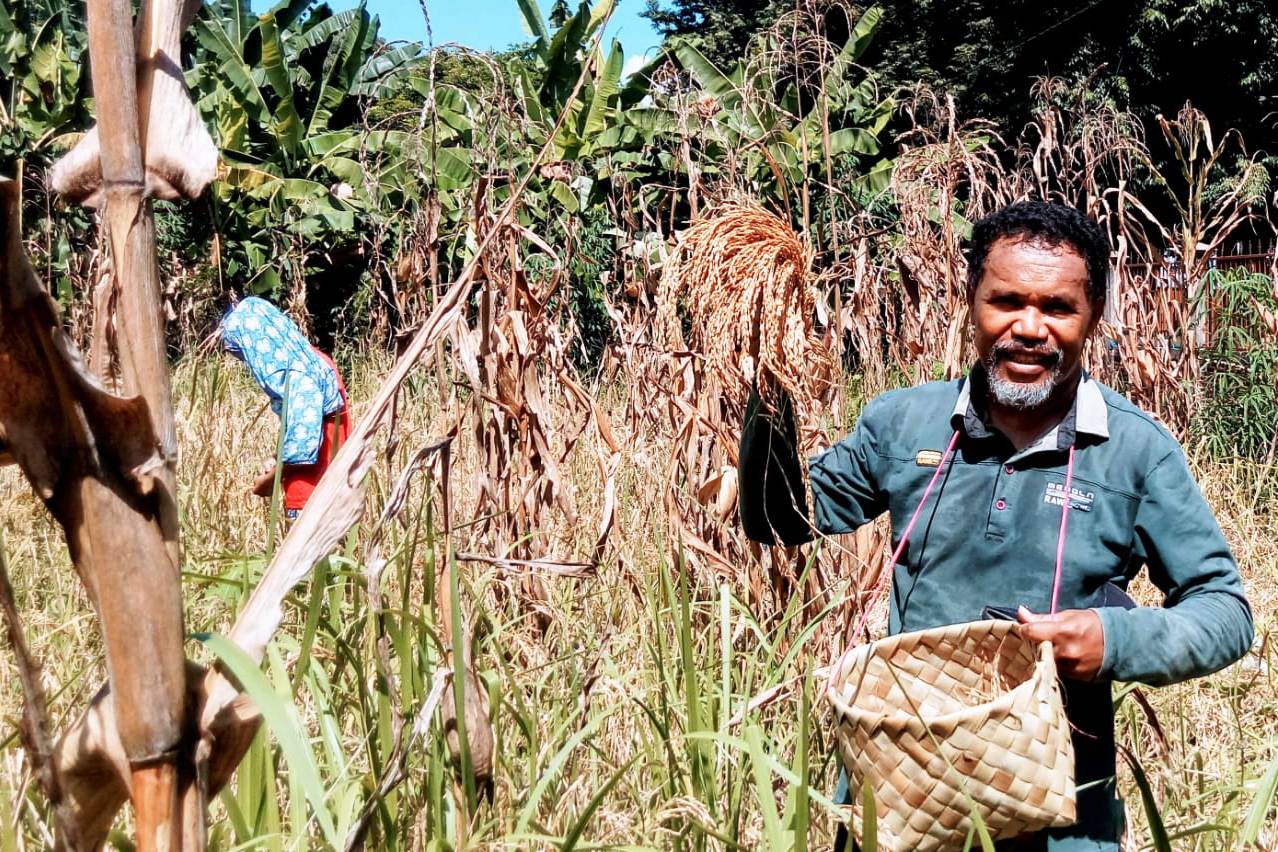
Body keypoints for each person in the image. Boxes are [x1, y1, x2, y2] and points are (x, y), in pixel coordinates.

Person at [738, 201, 1253, 850]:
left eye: (1058, 308)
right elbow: (779, 518)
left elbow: (1226, 612)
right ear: (970, 301)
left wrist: (1112, 638)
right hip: (903, 792)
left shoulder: (1136, 451)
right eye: (1005, 300)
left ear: (1093, 317)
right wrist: (764, 383)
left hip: (1055, 805)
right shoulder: (904, 423)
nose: (1029, 327)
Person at [220, 296, 350, 518]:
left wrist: (269, 481)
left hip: (313, 496)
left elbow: (303, 445)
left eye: (245, 355)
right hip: (336, 487)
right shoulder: (315, 361)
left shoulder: (299, 378)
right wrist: (277, 456)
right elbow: (309, 427)